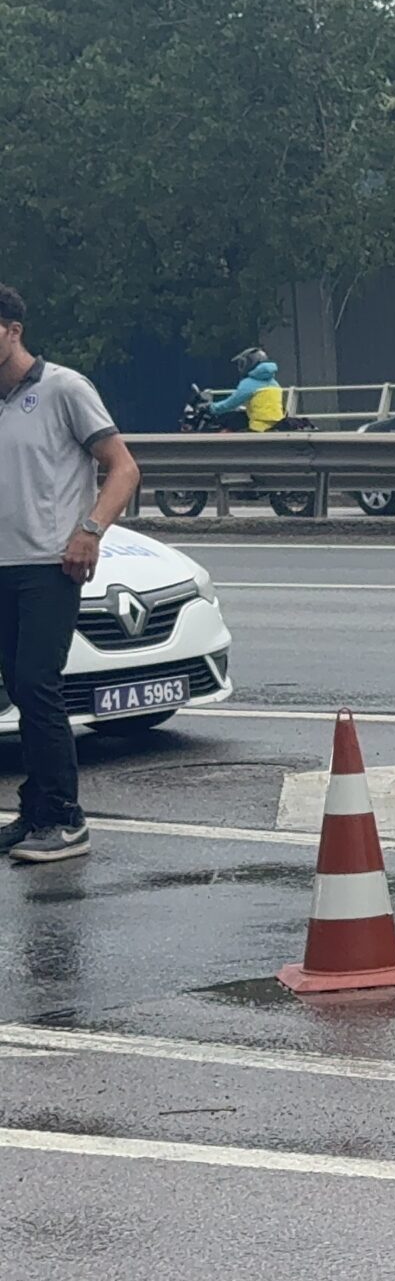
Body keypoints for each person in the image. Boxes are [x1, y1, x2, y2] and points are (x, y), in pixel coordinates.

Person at [0, 283, 143, 864]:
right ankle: (35, 810)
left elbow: (123, 468)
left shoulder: (62, 387)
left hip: (47, 565)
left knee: (38, 685)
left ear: (12, 330)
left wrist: (89, 531)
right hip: (2, 566)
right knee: (19, 690)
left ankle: (65, 819)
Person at [207, 347, 287, 432]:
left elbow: (231, 403)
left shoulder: (249, 383)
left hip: (258, 427)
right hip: (277, 425)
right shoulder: (274, 383)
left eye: (242, 364)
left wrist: (211, 408)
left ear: (250, 363)